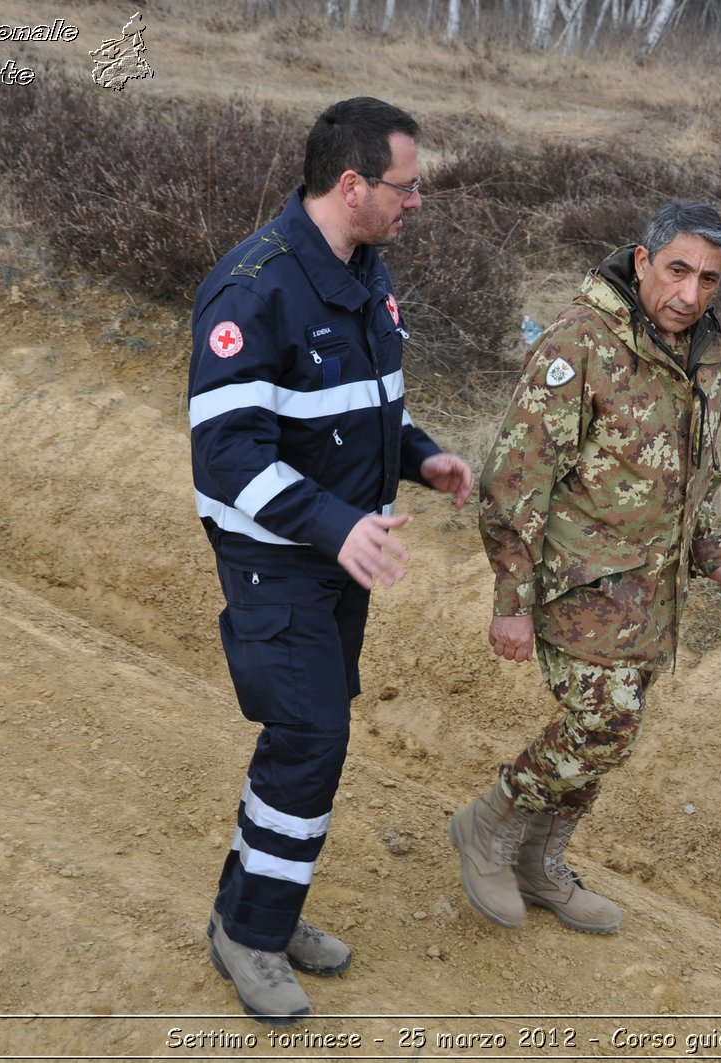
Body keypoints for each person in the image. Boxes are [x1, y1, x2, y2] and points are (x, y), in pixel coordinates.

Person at [188, 97, 473, 1024]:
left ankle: (256, 904)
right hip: (278, 557)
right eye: (406, 185)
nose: (417, 200)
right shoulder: (254, 288)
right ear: (352, 185)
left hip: (340, 553)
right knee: (311, 737)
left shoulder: (362, 273)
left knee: (301, 739)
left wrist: (419, 457)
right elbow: (226, 453)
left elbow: (360, 406)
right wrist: (331, 522)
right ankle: (252, 934)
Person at [452, 201, 721, 934]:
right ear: (642, 259)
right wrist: (512, 599)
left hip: (650, 597)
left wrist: (711, 552)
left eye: (708, 279)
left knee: (611, 734)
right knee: (604, 723)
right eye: (678, 270)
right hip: (579, 585)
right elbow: (513, 482)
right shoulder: (580, 344)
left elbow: (692, 472)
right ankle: (488, 822)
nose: (690, 293)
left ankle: (541, 863)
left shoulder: (699, 353)